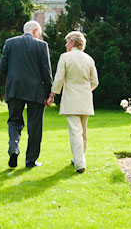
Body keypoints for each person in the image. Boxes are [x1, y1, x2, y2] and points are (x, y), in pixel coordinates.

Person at [0, 21, 53, 168]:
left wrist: (12, 79)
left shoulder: (10, 43)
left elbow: (2, 66)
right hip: (36, 91)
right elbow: (46, 72)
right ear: (35, 31)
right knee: (35, 126)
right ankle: (31, 161)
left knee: (14, 122)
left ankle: (14, 149)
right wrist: (50, 94)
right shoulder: (42, 46)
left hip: (14, 89)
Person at [49, 31, 98, 173]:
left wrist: (52, 94)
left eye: (67, 41)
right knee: (83, 132)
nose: (65, 44)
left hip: (71, 99)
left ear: (73, 42)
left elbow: (59, 78)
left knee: (76, 132)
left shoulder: (65, 57)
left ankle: (80, 163)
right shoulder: (89, 59)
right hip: (86, 99)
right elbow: (95, 82)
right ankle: (78, 158)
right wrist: (86, 91)